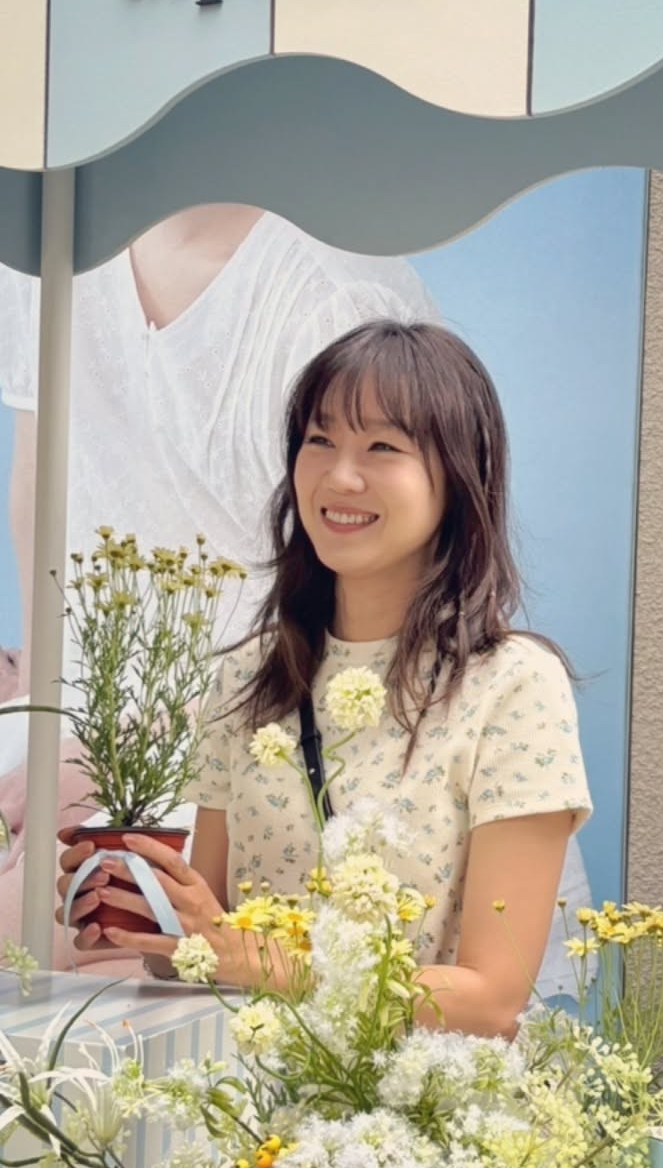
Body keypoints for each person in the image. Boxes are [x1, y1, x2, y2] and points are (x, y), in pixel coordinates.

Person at [0, 205, 444, 959]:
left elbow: (372, 617)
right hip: (103, 715)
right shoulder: (30, 238)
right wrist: (41, 697)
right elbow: (44, 475)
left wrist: (94, 761)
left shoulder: (335, 299)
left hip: (284, 728)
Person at [57, 320, 593, 1038]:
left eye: (383, 447)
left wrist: (259, 963)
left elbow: (490, 998)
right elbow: (210, 942)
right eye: (319, 440)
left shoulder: (512, 685)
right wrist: (143, 912)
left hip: (418, 1095)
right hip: (247, 1090)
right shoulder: (248, 676)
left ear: (460, 476)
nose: (341, 476)